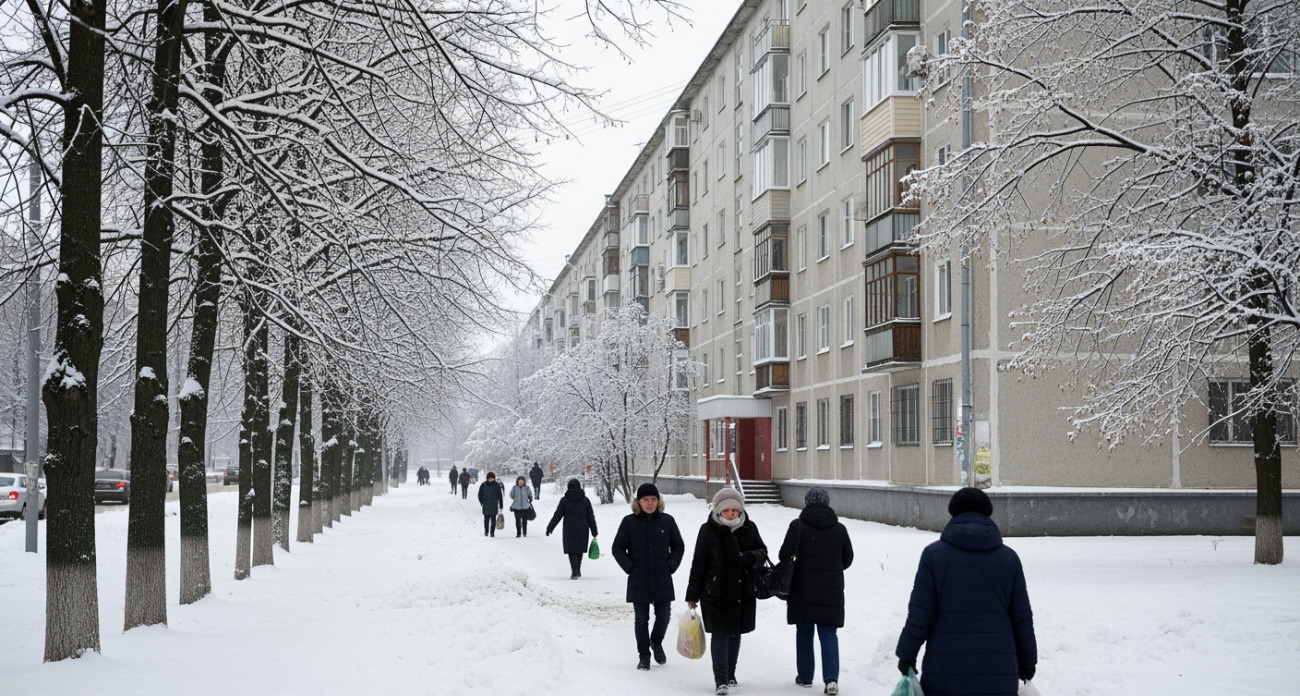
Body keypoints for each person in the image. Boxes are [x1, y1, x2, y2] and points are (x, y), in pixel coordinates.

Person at [895, 487, 1037, 696]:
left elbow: (920, 613)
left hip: (946, 668)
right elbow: (1021, 617)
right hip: (999, 668)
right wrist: (1028, 660)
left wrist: (907, 653)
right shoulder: (1009, 559)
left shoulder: (934, 556)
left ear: (954, 514)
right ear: (987, 514)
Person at [684, 488, 767, 695]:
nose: (732, 514)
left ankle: (730, 673)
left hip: (742, 591)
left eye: (735, 510)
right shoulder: (708, 530)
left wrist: (753, 556)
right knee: (721, 634)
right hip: (715, 592)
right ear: (718, 511)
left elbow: (763, 552)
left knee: (736, 632)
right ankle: (720, 678)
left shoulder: (749, 527)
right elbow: (699, 563)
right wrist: (692, 594)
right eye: (727, 510)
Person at [780, 487, 854, 695]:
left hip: (802, 588)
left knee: (804, 632)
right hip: (831, 590)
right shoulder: (839, 529)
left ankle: (805, 677)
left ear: (807, 503)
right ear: (827, 503)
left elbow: (783, 554)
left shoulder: (797, 526)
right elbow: (847, 559)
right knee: (828, 633)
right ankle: (831, 680)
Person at [612, 482, 685, 672]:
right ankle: (644, 655)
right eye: (646, 500)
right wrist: (630, 567)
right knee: (641, 618)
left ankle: (656, 642)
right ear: (639, 502)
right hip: (639, 578)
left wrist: (670, 566)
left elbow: (678, 546)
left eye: (653, 499)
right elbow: (617, 548)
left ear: (658, 501)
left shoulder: (667, 521)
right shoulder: (629, 522)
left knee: (664, 616)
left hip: (662, 577)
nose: (650, 503)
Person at [546, 478, 598, 579]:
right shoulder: (585, 500)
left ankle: (574, 571)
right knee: (579, 549)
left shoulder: (564, 500)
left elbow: (557, 515)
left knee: (572, 550)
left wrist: (550, 527)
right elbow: (591, 516)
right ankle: (578, 570)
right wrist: (594, 530)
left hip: (569, 529)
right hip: (583, 528)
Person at [477, 472, 503, 537]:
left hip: (494, 504)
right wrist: (482, 502)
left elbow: (500, 495)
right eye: (489, 478)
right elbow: (480, 494)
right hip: (486, 504)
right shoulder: (483, 485)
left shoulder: (497, 485)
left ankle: (492, 532)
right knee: (486, 519)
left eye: (492, 478)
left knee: (493, 520)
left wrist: (501, 504)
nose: (491, 479)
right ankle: (486, 531)